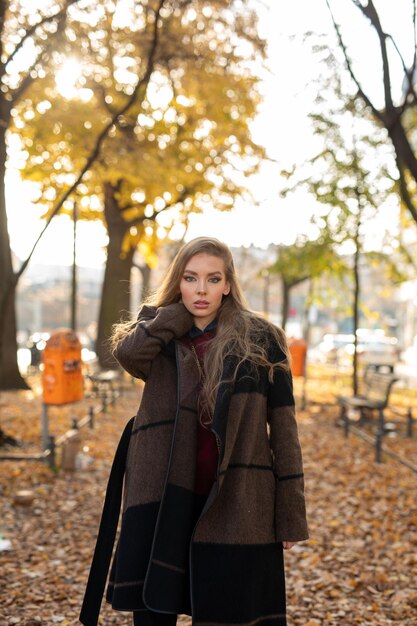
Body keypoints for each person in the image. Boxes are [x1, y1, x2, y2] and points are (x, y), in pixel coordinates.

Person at [80, 236, 308, 626]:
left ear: (228, 284)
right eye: (190, 278)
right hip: (164, 492)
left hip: (237, 495)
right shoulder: (161, 334)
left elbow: (284, 429)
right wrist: (173, 316)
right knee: (154, 610)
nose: (201, 290)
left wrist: (290, 514)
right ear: (178, 282)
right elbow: (127, 355)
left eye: (213, 279)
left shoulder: (262, 338)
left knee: (232, 612)